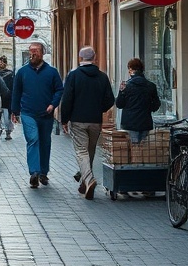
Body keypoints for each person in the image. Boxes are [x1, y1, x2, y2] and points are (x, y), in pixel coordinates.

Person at [60, 45, 116, 200]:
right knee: (90, 151)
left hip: (78, 120)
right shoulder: (102, 77)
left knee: (81, 151)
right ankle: (85, 183)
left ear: (80, 58)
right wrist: (99, 109)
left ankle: (89, 179)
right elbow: (110, 99)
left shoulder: (74, 75)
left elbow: (67, 99)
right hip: (95, 120)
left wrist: (64, 119)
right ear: (94, 58)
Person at [10, 41, 63, 188]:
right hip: (28, 112)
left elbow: (59, 89)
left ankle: (43, 172)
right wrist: (15, 111)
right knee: (33, 139)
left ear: (42, 53)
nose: (33, 53)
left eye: (36, 51)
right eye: (31, 51)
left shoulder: (52, 72)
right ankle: (34, 172)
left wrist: (53, 104)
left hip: (46, 114)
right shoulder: (22, 72)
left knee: (45, 142)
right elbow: (16, 92)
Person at [115, 57, 161, 143]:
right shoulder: (151, 86)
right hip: (145, 122)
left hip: (130, 123)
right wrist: (148, 108)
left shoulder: (126, 86)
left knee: (133, 150)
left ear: (131, 70)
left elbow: (119, 104)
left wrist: (121, 92)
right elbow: (156, 104)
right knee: (143, 151)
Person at [0, 55, 15, 140]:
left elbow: (13, 87)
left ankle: (8, 132)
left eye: (2, 62)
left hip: (7, 98)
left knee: (7, 117)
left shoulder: (10, 73)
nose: (0, 65)